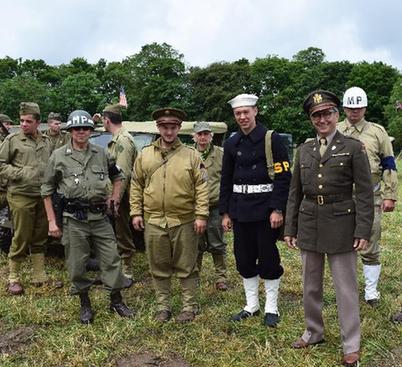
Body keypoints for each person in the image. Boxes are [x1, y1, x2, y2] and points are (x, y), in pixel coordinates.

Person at [284, 90, 374, 367]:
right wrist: (291, 227)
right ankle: (313, 332)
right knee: (310, 284)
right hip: (309, 221)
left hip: (342, 223)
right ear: (311, 120)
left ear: (336, 115)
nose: (322, 119)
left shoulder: (354, 147)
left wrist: (362, 230)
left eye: (327, 113)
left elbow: (364, 193)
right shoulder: (304, 149)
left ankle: (351, 343)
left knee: (345, 287)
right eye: (316, 115)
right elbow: (294, 191)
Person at [41, 110, 134, 324]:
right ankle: (85, 303)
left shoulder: (101, 153)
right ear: (71, 131)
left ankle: (116, 300)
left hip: (100, 217)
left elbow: (118, 175)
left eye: (85, 128)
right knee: (77, 263)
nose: (81, 132)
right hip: (74, 219)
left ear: (91, 131)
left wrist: (115, 198)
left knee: (111, 258)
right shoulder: (59, 156)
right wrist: (52, 221)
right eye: (77, 128)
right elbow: (46, 189)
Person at [130, 108, 209, 323]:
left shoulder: (191, 155)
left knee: (186, 266)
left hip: (184, 219)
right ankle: (163, 307)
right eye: (165, 127)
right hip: (154, 220)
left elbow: (202, 186)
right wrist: (135, 212)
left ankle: (188, 307)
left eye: (173, 127)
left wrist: (201, 215)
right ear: (159, 128)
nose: (169, 131)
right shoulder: (145, 154)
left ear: (179, 128)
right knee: (158, 266)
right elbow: (136, 184)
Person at [219, 94, 291, 327]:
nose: (242, 117)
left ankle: (271, 307)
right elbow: (226, 179)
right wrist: (225, 212)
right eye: (238, 113)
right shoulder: (231, 143)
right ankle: (252, 305)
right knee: (244, 258)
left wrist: (278, 208)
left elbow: (283, 176)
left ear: (255, 111)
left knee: (268, 258)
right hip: (240, 209)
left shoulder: (272, 139)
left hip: (264, 210)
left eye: (246, 112)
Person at [338, 86, 398, 307]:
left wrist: (390, 195)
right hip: (341, 197)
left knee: (370, 241)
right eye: (351, 107)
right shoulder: (335, 130)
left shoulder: (377, 131)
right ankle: (347, 289)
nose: (355, 111)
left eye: (359, 107)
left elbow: (389, 163)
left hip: (370, 197)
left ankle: (371, 292)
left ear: (365, 107)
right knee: (344, 244)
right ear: (344, 108)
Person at [0, 102, 56, 295]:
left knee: (40, 234)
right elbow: (1, 165)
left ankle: (38, 274)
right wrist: (22, 173)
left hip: (42, 195)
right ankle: (13, 277)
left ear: (38, 122)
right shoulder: (12, 140)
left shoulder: (47, 141)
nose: (23, 124)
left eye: (28, 121)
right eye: (21, 120)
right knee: (22, 234)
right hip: (20, 195)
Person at [102, 103, 137, 280]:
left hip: (121, 196)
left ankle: (127, 271)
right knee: (115, 232)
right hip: (117, 194)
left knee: (122, 232)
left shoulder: (122, 140)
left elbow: (122, 173)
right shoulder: (118, 138)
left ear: (106, 120)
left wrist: (114, 201)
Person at [193, 121, 228, 291]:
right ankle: (194, 275)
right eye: (199, 134)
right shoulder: (188, 154)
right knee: (196, 245)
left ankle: (221, 277)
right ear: (194, 136)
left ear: (211, 136)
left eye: (206, 134)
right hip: (195, 209)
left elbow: (228, 179)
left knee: (217, 243)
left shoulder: (221, 154)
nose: (203, 137)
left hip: (215, 206)